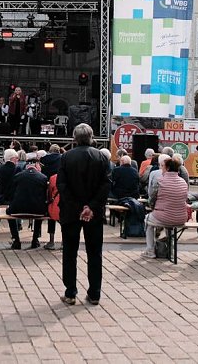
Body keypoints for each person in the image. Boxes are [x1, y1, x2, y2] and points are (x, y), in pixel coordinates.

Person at [57, 123, 110, 306]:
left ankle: (70, 292)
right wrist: (91, 207)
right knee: (94, 253)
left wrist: (78, 207)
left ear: (74, 138)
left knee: (69, 252)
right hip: (94, 213)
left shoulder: (66, 157)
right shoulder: (101, 157)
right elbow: (106, 185)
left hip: (71, 212)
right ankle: (94, 294)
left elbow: (62, 185)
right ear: (91, 137)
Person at [143, 156, 189, 259]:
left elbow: (152, 199)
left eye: (163, 166)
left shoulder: (159, 181)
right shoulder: (183, 182)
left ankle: (150, 250)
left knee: (148, 221)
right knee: (170, 226)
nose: (161, 168)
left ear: (167, 168)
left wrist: (154, 208)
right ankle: (171, 251)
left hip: (163, 216)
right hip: (181, 217)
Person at [6, 156, 48, 249]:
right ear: (36, 164)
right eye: (40, 165)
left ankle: (16, 240)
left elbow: (11, 194)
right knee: (40, 210)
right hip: (38, 211)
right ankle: (35, 240)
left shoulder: (17, 176)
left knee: (8, 212)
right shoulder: (43, 177)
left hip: (17, 210)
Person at [45, 169, 61, 250]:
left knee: (51, 220)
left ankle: (51, 242)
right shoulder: (71, 176)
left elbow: (50, 192)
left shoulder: (53, 178)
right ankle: (64, 243)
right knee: (65, 223)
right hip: (66, 204)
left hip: (55, 204)